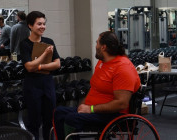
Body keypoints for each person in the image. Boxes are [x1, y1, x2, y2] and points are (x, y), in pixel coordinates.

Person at [53, 31, 141, 140]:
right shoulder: (102, 62)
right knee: (59, 112)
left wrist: (91, 109)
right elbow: (95, 88)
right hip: (94, 110)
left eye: (97, 43)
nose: (96, 46)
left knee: (71, 119)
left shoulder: (123, 68)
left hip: (113, 115)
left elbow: (121, 104)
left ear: (103, 47)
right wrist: (84, 105)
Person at [20, 11, 60, 140]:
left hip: (47, 83)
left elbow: (57, 64)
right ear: (30, 26)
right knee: (34, 121)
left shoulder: (49, 41)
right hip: (32, 85)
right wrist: (44, 55)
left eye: (44, 24)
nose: (42, 26)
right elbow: (29, 67)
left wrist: (40, 66)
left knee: (49, 120)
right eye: (39, 24)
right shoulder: (24, 44)